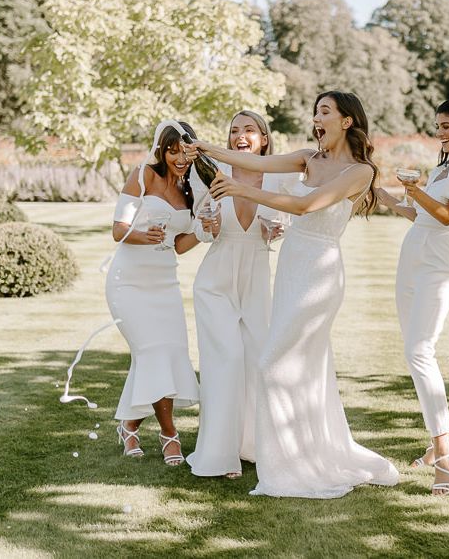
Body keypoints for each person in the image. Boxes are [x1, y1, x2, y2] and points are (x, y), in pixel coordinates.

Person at [185, 91, 399, 498]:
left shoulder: (360, 172)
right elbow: (254, 162)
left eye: (324, 111)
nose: (316, 118)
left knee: (270, 365)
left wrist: (242, 192)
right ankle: (298, 455)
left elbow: (306, 205)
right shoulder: (307, 157)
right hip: (289, 267)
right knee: (299, 371)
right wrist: (206, 148)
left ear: (347, 121)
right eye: (315, 111)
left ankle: (287, 465)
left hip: (318, 272)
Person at [376, 98, 449, 495]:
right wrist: (387, 197)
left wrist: (413, 187)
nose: (441, 133)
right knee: (413, 351)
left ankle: (445, 451)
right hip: (412, 255)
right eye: (437, 126)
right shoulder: (444, 167)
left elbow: (446, 216)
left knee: (419, 351)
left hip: (439, 261)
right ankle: (437, 445)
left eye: (447, 125)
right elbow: (422, 215)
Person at [186, 110, 293, 479]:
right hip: (216, 281)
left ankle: (253, 446)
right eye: (234, 131)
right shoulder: (213, 174)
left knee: (256, 362)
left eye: (249, 129)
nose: (240, 136)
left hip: (257, 279)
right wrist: (208, 225)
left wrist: (275, 231)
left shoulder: (279, 177)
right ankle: (220, 453)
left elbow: (286, 221)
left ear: (264, 138)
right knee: (226, 361)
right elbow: (202, 228)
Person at [107, 122, 202, 466]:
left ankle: (129, 425)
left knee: (169, 352)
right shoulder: (142, 175)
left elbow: (179, 245)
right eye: (172, 150)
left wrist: (204, 232)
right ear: (161, 151)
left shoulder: (192, 189)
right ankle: (169, 435)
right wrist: (142, 235)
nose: (178, 158)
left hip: (165, 284)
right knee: (152, 352)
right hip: (129, 282)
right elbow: (118, 230)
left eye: (184, 151)